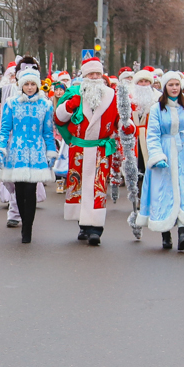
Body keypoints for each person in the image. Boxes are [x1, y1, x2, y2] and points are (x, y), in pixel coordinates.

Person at [136, 72, 184, 251]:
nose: (175, 88)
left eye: (177, 84)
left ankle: (183, 234)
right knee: (165, 192)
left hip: (183, 152)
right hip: (165, 151)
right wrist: (157, 156)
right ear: (164, 87)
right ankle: (165, 234)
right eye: (171, 85)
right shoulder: (156, 109)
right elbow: (152, 135)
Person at [53, 56, 121, 246]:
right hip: (79, 149)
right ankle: (83, 225)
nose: (94, 76)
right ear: (84, 76)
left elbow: (120, 120)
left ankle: (96, 229)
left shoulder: (111, 95)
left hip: (101, 149)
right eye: (90, 73)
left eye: (97, 73)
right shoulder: (75, 93)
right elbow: (59, 119)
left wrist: (127, 125)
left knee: (98, 186)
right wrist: (69, 106)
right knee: (79, 186)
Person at [0, 68, 56, 244]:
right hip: (17, 152)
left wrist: (51, 151)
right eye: (26, 84)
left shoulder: (45, 105)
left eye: (32, 84)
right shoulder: (12, 103)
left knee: (31, 190)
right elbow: (5, 129)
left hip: (36, 152)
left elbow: (48, 132)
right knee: (20, 190)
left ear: (38, 85)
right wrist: (0, 149)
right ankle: (22, 220)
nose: (29, 87)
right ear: (21, 85)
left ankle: (28, 227)